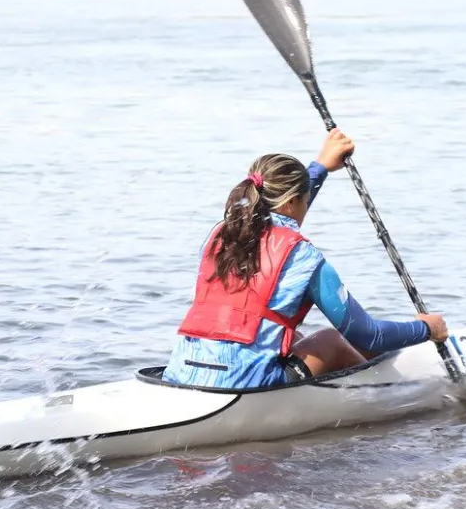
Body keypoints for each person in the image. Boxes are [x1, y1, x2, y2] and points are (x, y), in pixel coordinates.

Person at [162, 129, 449, 388]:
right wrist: (427, 328)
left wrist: (321, 167)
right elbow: (369, 335)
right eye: (304, 197)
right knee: (330, 340)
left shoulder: (222, 234)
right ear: (291, 202)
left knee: (295, 340)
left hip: (183, 372)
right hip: (240, 384)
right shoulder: (304, 258)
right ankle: (384, 393)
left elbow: (276, 216)